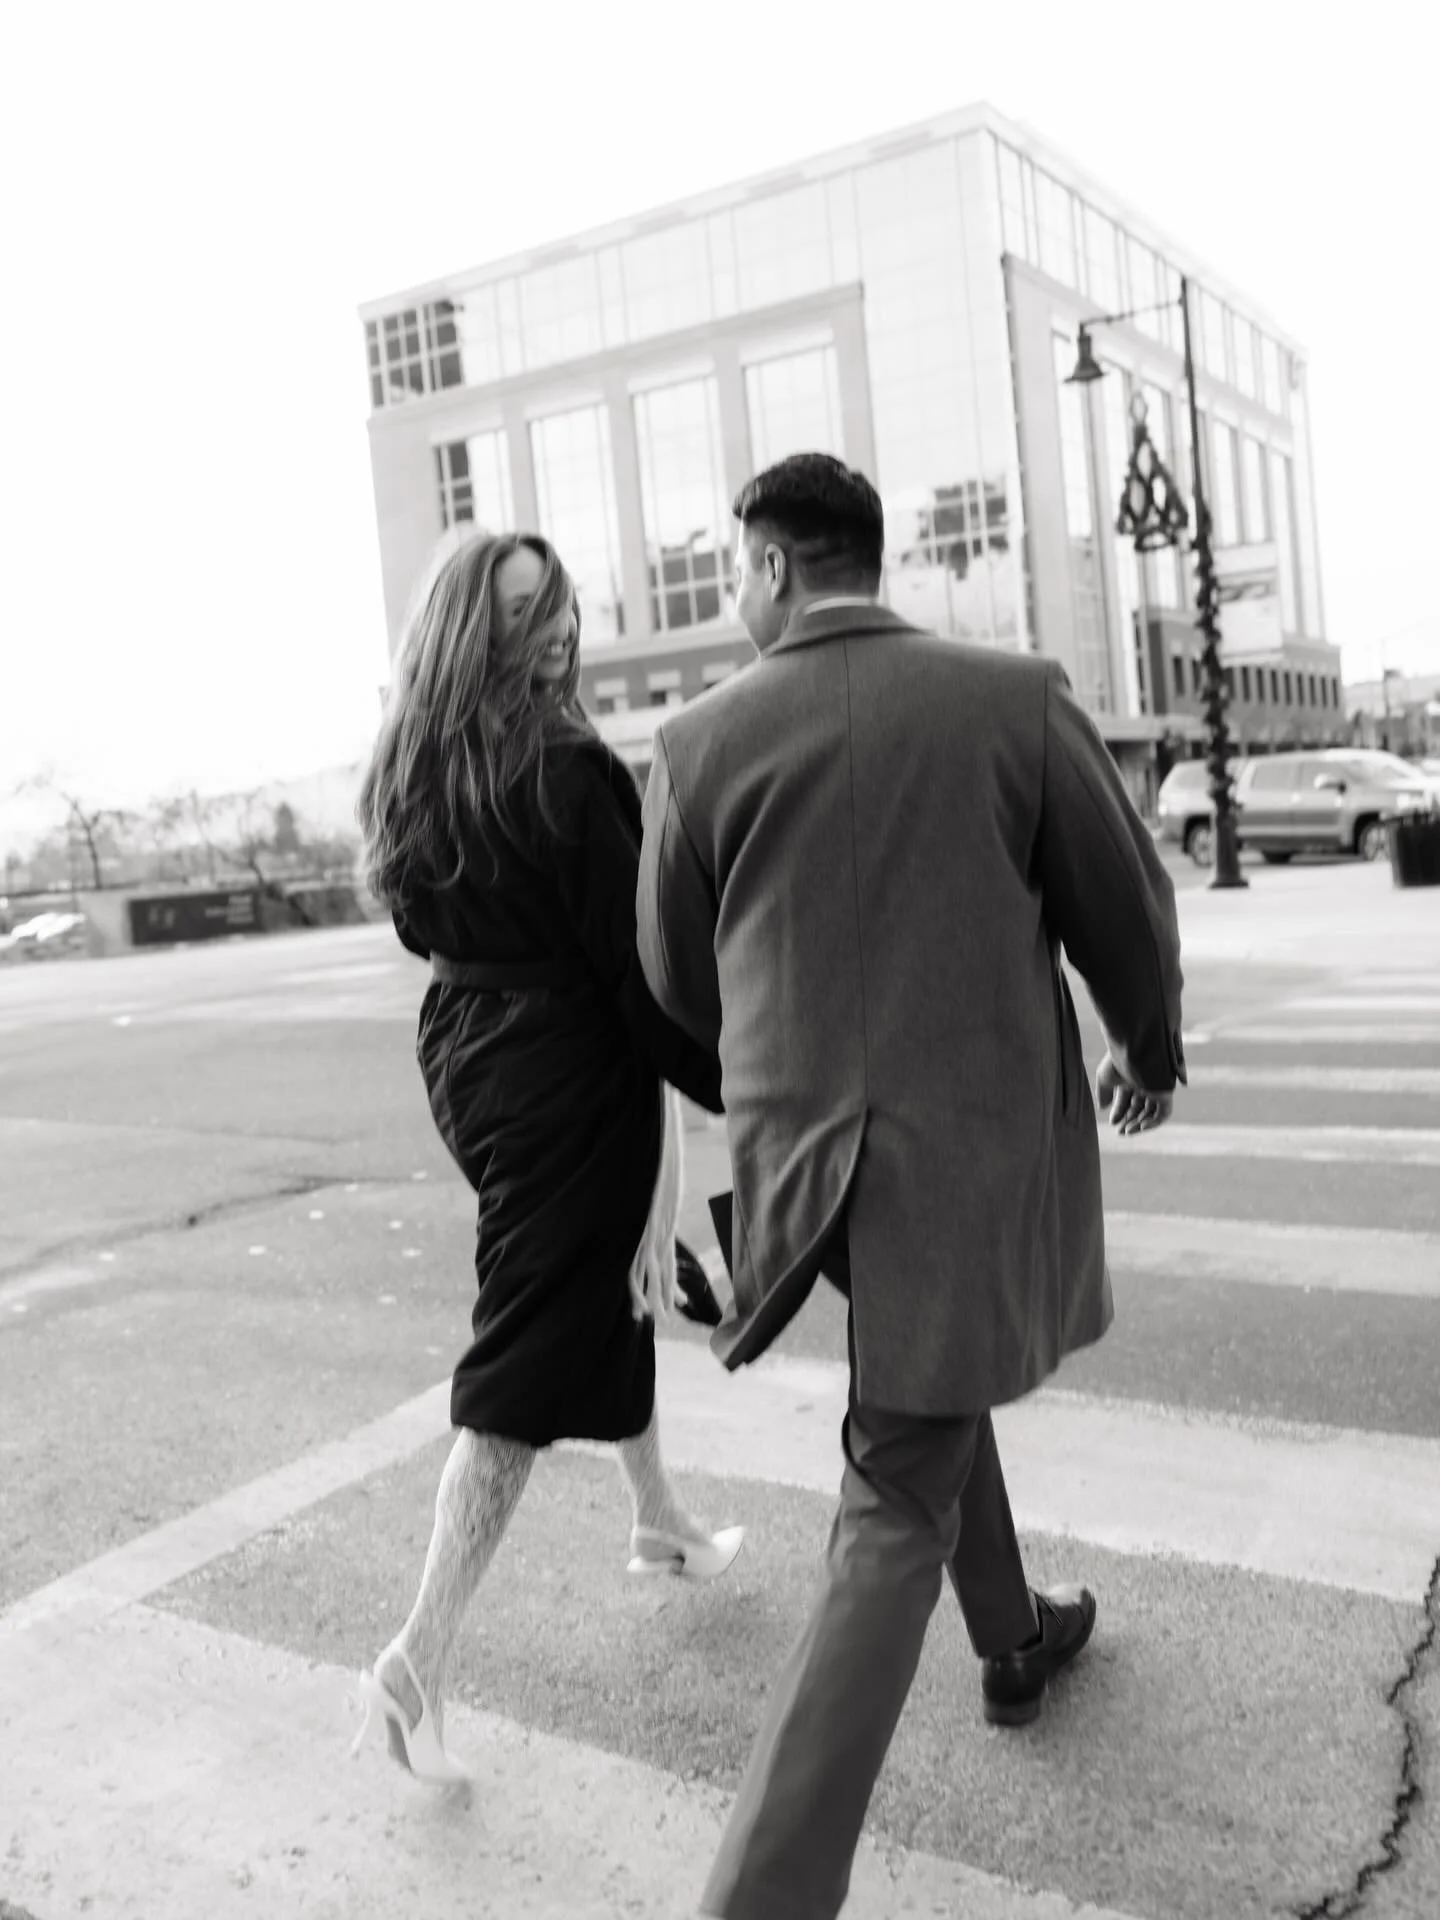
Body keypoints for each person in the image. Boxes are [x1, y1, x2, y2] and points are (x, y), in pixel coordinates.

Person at [635, 453, 1185, 1919]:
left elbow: (674, 978)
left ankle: (1012, 1637)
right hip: (972, 1158)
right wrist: (1147, 1047)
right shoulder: (1014, 698)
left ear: (772, 566)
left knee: (919, 1389)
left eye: (738, 569)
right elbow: (1124, 909)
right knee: (893, 1496)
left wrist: (787, 1067)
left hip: (806, 1172)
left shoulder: (696, 744)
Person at [351, 529, 743, 1786]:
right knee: (526, 1353)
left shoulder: (416, 762)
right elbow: (645, 972)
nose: (559, 629)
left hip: (468, 1052)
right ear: (477, 631)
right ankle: (417, 1658)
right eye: (528, 613)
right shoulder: (567, 767)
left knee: (606, 1276)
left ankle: (658, 1517)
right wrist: (745, 1089)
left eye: (561, 604)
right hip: (568, 1071)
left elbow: (416, 926)